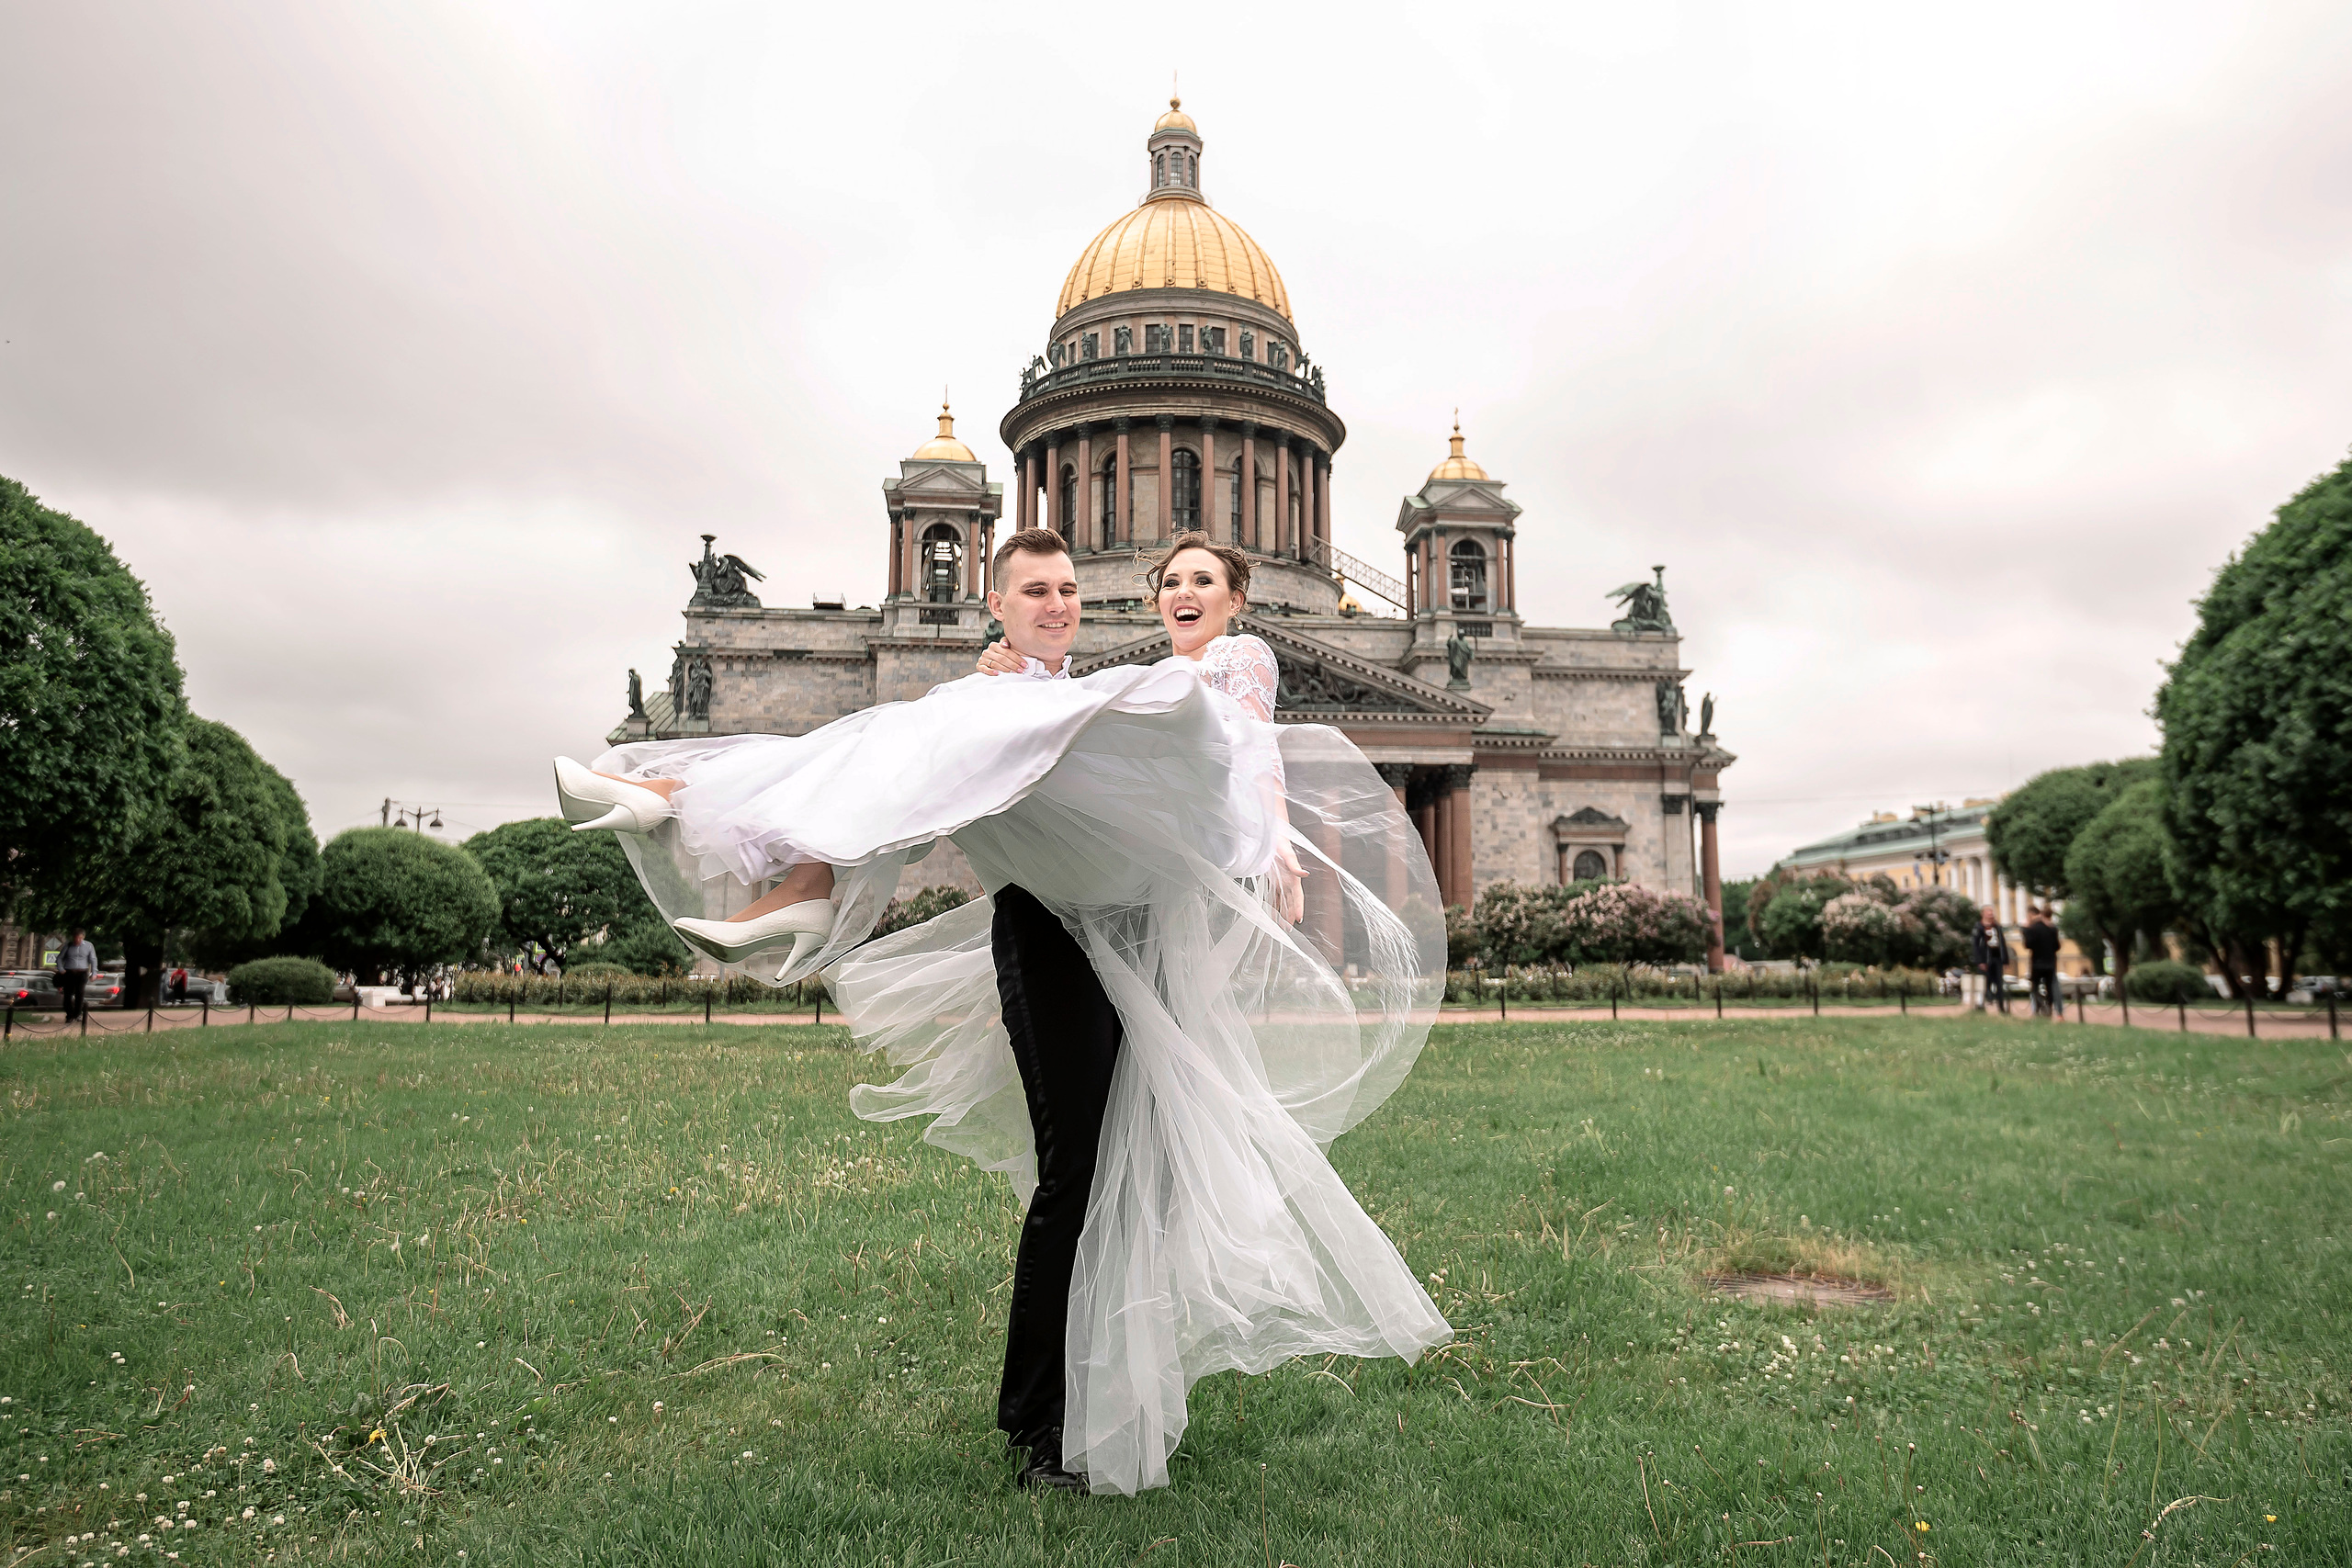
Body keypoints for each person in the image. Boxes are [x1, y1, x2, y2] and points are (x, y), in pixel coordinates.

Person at [565, 527, 1448, 1495]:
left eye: (1201, 580)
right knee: (1087, 1167)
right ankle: (1054, 1423)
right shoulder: (1089, 691)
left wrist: (1272, 833)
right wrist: (1012, 686)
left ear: (1239, 597)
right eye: (1167, 582)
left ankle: (719, 818)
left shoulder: (1216, 667)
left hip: (1133, 911)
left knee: (1116, 1171)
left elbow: (1248, 744)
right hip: (1069, 917)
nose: (1176, 592)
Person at [2023, 906, 2063, 1019]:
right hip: (2050, 962)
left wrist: (2025, 930)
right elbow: (2057, 946)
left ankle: (2038, 1008)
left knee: (2035, 986)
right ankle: (2049, 1008)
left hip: (2037, 962)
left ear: (2031, 915)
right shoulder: (2052, 928)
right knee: (2050, 987)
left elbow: (2028, 945)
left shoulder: (2032, 928)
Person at [1970, 907, 2009, 1013]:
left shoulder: (1997, 927)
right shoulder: (1978, 927)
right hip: (1985, 960)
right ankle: (1982, 1005)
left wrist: (2005, 960)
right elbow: (1975, 946)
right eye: (1989, 912)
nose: (1991, 915)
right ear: (1983, 914)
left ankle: (2001, 1007)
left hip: (1997, 959)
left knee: (1999, 983)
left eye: (1992, 912)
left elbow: (2002, 943)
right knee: (1984, 984)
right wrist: (1979, 961)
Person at [56, 930, 96, 1022]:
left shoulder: (89, 946)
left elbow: (93, 960)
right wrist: (61, 969)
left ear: (83, 937)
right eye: (75, 938)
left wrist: (94, 973)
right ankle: (69, 1015)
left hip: (82, 973)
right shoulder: (68, 946)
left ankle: (77, 1014)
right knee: (67, 995)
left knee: (80, 994)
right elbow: (59, 958)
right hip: (69, 973)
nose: (77, 940)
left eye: (79, 938)